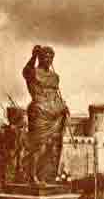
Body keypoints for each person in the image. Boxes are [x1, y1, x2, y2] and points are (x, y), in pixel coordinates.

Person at [22, 45, 69, 185]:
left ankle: (43, 175)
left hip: (55, 113)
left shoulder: (55, 77)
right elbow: (25, 72)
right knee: (38, 145)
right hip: (39, 112)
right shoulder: (33, 72)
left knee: (51, 146)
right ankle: (31, 176)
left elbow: (55, 95)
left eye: (51, 57)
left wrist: (63, 106)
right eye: (45, 57)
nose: (48, 59)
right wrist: (33, 56)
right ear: (40, 58)